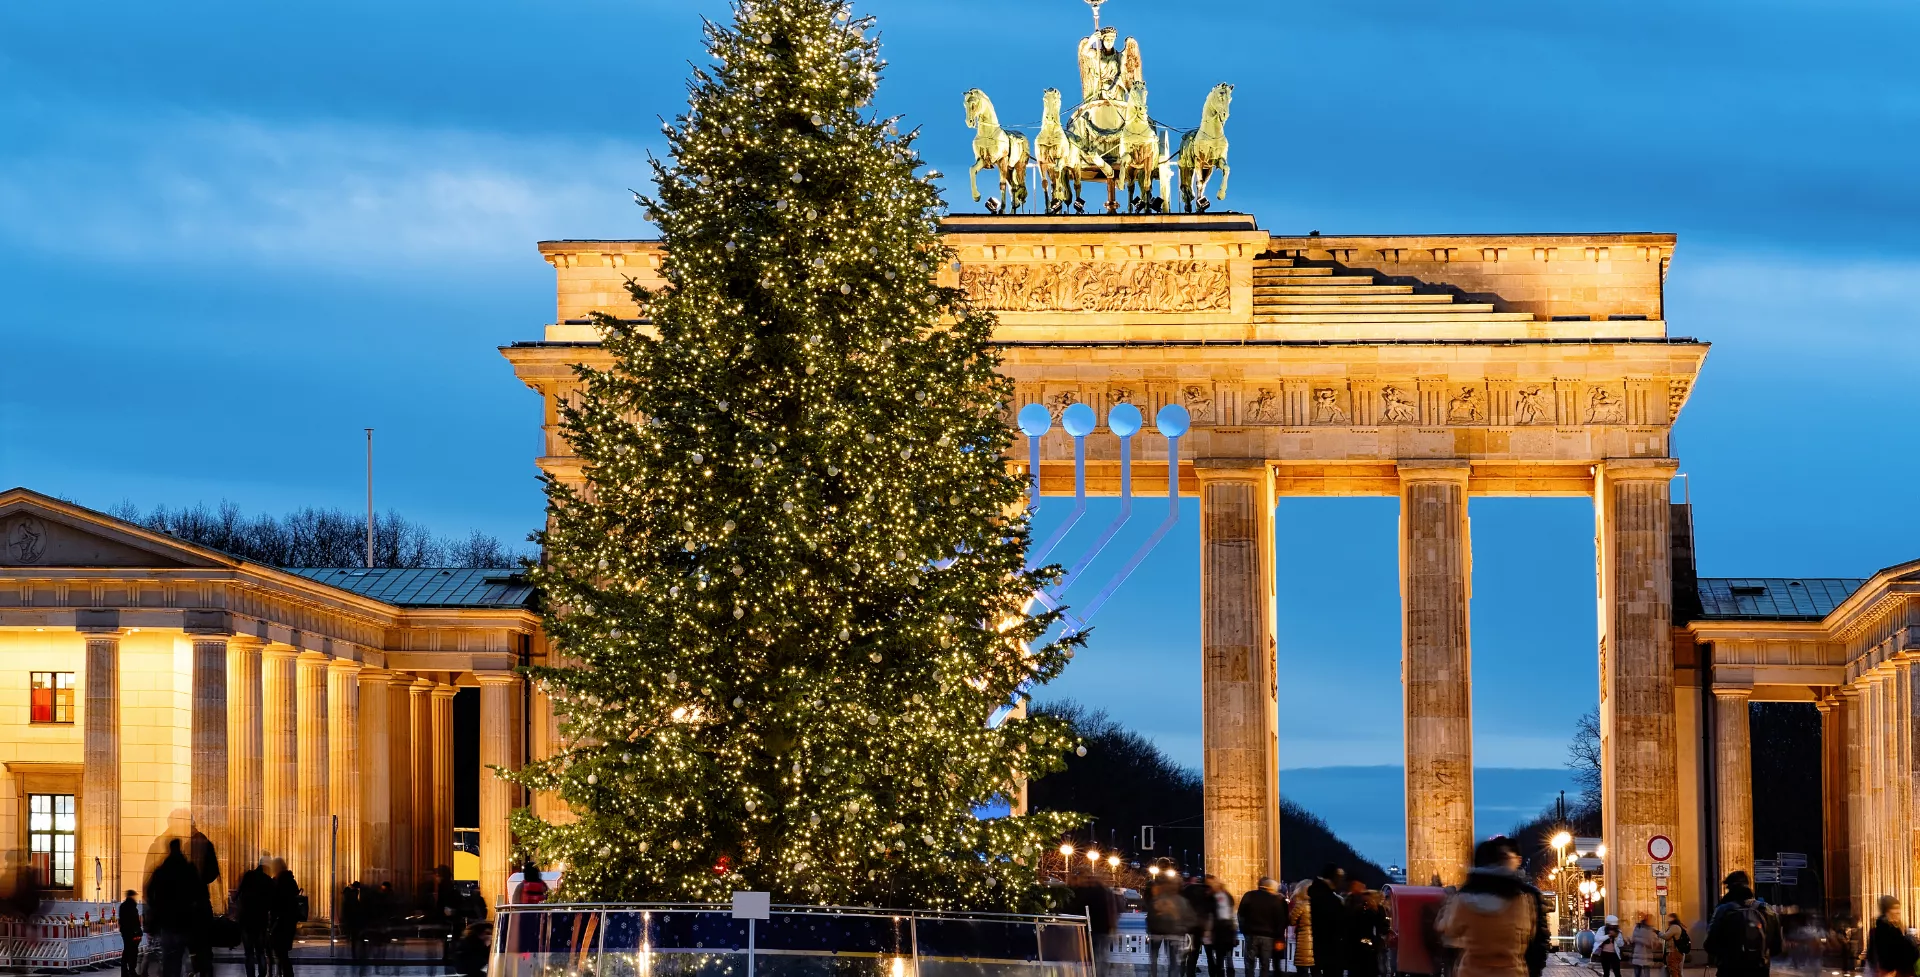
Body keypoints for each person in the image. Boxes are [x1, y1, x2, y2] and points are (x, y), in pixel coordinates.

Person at [1436, 837, 1549, 977]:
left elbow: (1447, 930)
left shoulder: (1461, 902)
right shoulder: (1523, 901)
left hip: (1472, 972)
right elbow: (1531, 939)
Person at [144, 839, 204, 977]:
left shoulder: (162, 871)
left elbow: (149, 891)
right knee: (179, 956)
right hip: (183, 921)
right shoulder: (189, 870)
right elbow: (199, 893)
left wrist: (156, 907)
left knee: (167, 956)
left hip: (166, 921)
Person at [1704, 871, 1781, 977]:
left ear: (1730, 888)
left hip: (1729, 971)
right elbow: (1777, 948)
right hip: (1759, 971)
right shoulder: (1767, 910)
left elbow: (1709, 945)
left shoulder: (1723, 910)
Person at [1066, 867, 1118, 975]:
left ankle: (1094, 973)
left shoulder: (1090, 891)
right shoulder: (1101, 890)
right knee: (1097, 956)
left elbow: (1077, 908)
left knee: (1095, 955)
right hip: (1096, 929)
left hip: (1094, 929)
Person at [1146, 873, 1195, 977]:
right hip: (1172, 933)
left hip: (1161, 932)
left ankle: (1154, 974)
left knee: (1158, 958)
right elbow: (1189, 917)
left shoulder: (1159, 898)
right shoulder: (1180, 900)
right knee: (1173, 961)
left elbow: (1151, 915)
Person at [235, 856, 275, 977]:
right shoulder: (268, 880)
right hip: (260, 921)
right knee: (260, 952)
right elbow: (272, 903)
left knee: (249, 953)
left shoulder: (249, 875)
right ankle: (262, 975)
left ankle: (250, 975)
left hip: (246, 920)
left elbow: (237, 894)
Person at [1239, 878, 1287, 977]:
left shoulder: (1249, 895)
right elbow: (1280, 920)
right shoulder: (1275, 900)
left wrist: (1244, 930)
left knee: (1250, 963)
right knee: (1265, 964)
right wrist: (1278, 936)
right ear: (1271, 888)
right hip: (1268, 937)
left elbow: (1241, 915)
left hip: (1251, 934)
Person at [1307, 865, 1349, 977]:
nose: (1342, 881)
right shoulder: (1330, 899)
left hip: (1323, 946)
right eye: (1340, 877)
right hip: (1331, 948)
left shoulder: (1318, 894)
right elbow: (1336, 923)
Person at [1864, 896, 1918, 977]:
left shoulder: (1898, 928)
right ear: (1886, 911)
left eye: (1898, 908)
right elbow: (1895, 952)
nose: (1898, 911)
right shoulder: (1884, 930)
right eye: (1894, 908)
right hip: (1891, 972)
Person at [268, 857, 301, 977]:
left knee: (280, 953)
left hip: (280, 922)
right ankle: (283, 973)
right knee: (283, 953)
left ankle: (285, 974)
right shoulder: (291, 881)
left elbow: (275, 903)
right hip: (290, 922)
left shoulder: (278, 882)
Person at [1347, 891, 1388, 977]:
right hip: (1364, 945)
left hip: (1368, 945)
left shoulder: (1376, 909)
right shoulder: (1361, 910)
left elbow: (1381, 925)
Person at [1204, 876, 1238, 977]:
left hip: (1220, 930)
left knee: (1220, 957)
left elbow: (1211, 915)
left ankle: (1221, 974)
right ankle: (1229, 974)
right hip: (1228, 929)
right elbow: (1231, 913)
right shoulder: (1228, 896)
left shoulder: (1214, 897)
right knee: (1227, 956)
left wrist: (1208, 931)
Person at [1182, 875, 1216, 977]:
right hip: (1206, 929)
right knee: (1210, 956)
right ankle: (1213, 974)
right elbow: (1213, 911)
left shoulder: (1188, 891)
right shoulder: (1209, 892)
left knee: (1192, 955)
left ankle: (1190, 974)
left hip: (1191, 928)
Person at [1289, 881, 1316, 976]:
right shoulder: (1320, 904)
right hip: (1318, 943)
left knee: (1302, 970)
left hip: (1303, 942)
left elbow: (1291, 921)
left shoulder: (1301, 905)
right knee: (1316, 971)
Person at [118, 890, 143, 977]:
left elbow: (122, 920)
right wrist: (138, 932)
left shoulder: (123, 906)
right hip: (133, 933)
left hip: (126, 933)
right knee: (133, 952)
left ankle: (124, 971)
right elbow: (135, 921)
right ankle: (131, 970)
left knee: (127, 951)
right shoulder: (132, 907)